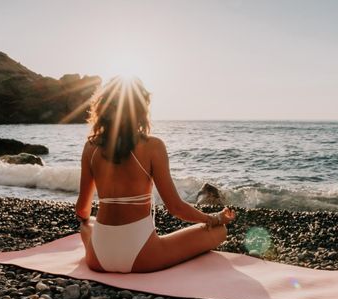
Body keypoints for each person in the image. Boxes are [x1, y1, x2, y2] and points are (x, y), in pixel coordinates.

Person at [75, 76, 236, 273]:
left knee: (87, 224)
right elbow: (175, 207)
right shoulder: (153, 146)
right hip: (143, 257)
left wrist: (90, 220)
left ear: (103, 108)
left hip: (97, 259)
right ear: (141, 108)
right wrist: (213, 219)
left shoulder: (90, 149)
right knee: (219, 232)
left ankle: (101, 240)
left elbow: (82, 210)